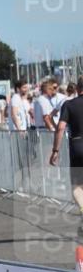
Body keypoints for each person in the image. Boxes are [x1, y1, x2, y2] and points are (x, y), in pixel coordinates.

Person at [49, 75, 83, 240]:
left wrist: (55, 150)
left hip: (77, 145)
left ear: (77, 89)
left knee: (77, 186)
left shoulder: (69, 105)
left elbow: (61, 128)